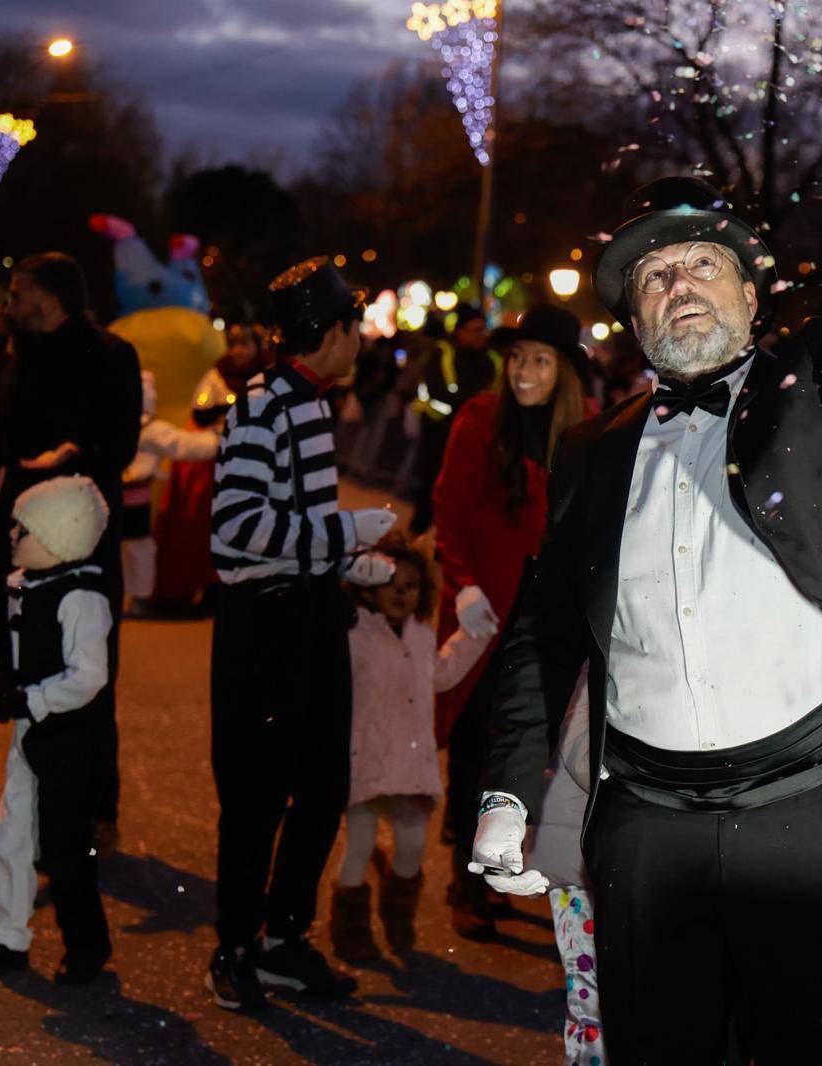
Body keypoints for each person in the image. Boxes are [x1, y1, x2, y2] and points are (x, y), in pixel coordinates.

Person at [470, 86, 822, 1063]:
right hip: (644, 827)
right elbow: (545, 633)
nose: (678, 286)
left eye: (702, 266)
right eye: (655, 276)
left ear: (750, 296)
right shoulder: (591, 452)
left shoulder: (816, 397)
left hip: (802, 815)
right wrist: (507, 790)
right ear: (632, 318)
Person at [205, 256, 397, 1012]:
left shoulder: (311, 402)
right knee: (256, 796)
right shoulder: (263, 405)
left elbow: (285, 529)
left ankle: (285, 938)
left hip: (311, 612)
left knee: (322, 790)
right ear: (334, 330)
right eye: (355, 323)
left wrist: (350, 561)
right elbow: (235, 528)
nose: (362, 337)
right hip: (264, 626)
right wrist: (342, 532)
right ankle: (236, 948)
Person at [0, 253, 142, 849]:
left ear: (48, 299)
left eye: (16, 294)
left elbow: (120, 443)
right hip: (23, 542)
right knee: (26, 671)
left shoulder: (111, 357)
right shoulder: (20, 356)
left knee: (85, 671)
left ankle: (93, 814)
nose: (8, 304)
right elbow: (9, 441)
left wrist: (70, 456)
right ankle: (39, 806)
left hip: (82, 544)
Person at [430, 303, 595, 940]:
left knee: (519, 748)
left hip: (541, 618)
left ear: (563, 372)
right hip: (482, 613)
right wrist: (463, 584)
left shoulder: (578, 434)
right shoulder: (480, 421)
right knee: (475, 747)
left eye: (541, 360)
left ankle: (493, 868)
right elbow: (447, 509)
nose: (525, 371)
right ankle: (463, 880)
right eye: (518, 357)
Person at [0, 475, 116, 984]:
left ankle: (87, 945)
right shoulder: (29, 586)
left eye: (24, 529)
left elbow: (90, 676)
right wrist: (7, 686)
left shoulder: (81, 598)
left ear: (60, 538)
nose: (12, 535)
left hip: (71, 741)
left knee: (64, 846)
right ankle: (7, 936)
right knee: (9, 832)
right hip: (31, 733)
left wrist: (33, 696)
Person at [330, 534, 492, 962]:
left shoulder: (420, 637)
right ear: (367, 586)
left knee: (412, 845)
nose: (403, 593)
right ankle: (350, 926)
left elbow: (442, 674)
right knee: (359, 844)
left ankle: (398, 912)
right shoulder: (354, 635)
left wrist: (473, 636)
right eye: (392, 583)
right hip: (362, 759)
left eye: (412, 585)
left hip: (407, 762)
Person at [149, 322, 272, 612]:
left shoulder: (267, 375)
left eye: (245, 344)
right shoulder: (217, 374)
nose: (238, 351)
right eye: (233, 344)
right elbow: (201, 414)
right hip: (215, 461)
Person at [120, 370, 219, 617]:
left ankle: (137, 597)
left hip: (136, 499)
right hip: (134, 499)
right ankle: (137, 597)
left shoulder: (142, 429)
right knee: (136, 550)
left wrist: (214, 438)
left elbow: (185, 446)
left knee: (135, 550)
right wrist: (217, 437)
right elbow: (185, 445)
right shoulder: (147, 429)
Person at [409, 304, 500, 532]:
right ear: (460, 331)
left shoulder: (491, 360)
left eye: (483, 329)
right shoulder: (442, 353)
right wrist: (470, 400)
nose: (481, 335)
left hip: (472, 437)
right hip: (439, 434)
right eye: (475, 330)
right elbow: (437, 391)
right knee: (430, 492)